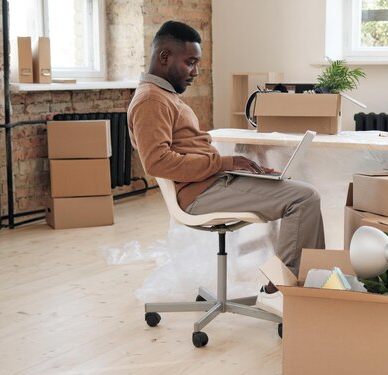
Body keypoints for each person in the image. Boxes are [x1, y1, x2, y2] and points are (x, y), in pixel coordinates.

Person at [127, 21, 326, 317]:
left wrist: (234, 168)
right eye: (190, 62)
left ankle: (309, 287)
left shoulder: (164, 95)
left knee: (297, 191)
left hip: (212, 183)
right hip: (198, 195)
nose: (195, 72)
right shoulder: (150, 101)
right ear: (165, 57)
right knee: (303, 198)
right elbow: (158, 162)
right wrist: (225, 163)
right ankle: (280, 291)